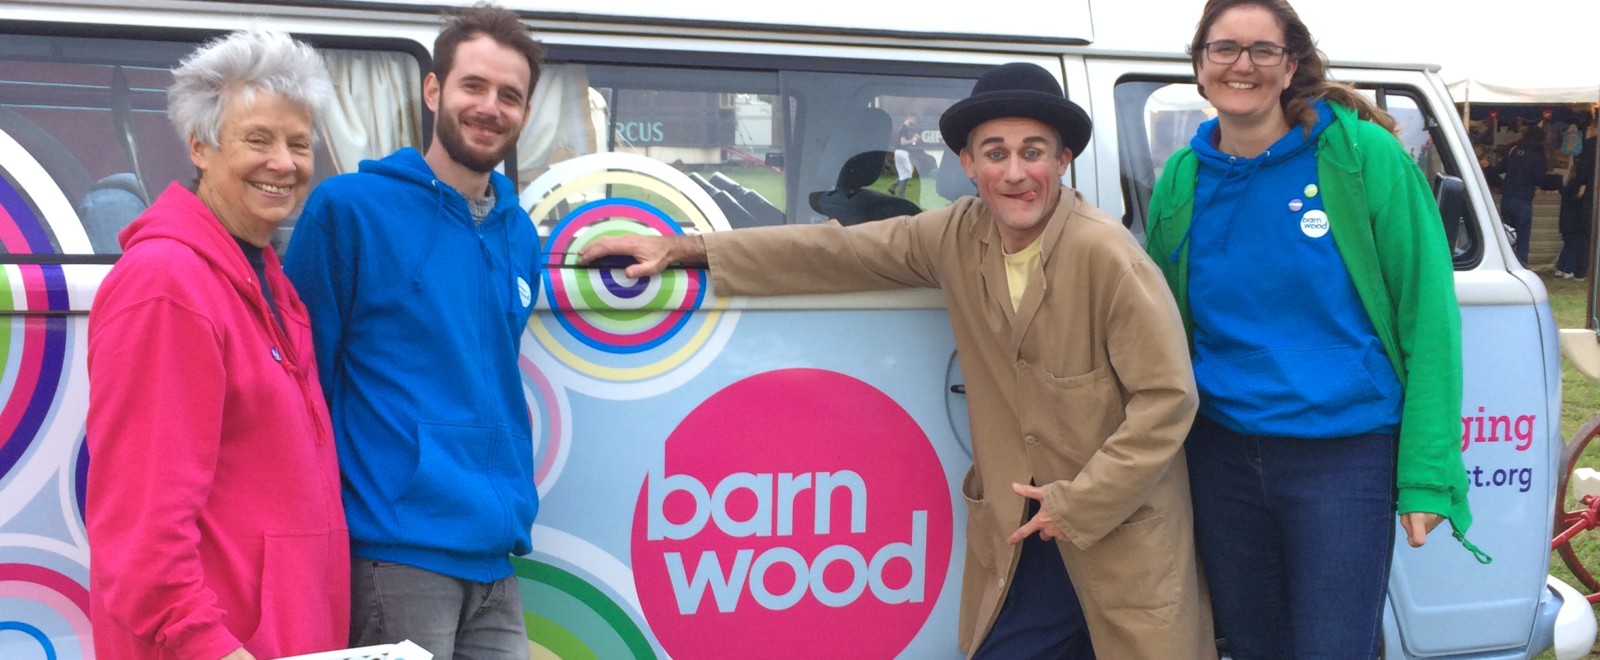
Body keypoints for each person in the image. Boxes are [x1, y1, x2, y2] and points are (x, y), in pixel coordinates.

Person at [582, 61, 1214, 659]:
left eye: (1034, 152)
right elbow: (831, 252)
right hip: (1022, 534)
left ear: (1063, 160)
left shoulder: (1109, 256)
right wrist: (682, 247)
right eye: (995, 153)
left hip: (1115, 529)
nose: (1016, 173)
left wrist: (1079, 503)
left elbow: (1167, 400)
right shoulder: (955, 235)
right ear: (967, 164)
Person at [1144, 1, 1488, 657]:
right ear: (1199, 64)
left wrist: (1425, 476)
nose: (1241, 65)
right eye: (1223, 48)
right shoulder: (1183, 178)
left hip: (1342, 459)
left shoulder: (1363, 156)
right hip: (1221, 459)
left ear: (1290, 63)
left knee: (1334, 646)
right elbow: (1164, 331)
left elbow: (1429, 320)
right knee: (1252, 645)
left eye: (1262, 50)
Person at [282, 5, 542, 658]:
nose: (490, 107)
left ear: (526, 112)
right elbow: (302, 377)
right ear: (433, 91)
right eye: (473, 86)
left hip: (495, 552)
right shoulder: (349, 210)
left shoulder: (519, 232)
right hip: (393, 550)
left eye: (510, 95)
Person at [86, 29, 346, 660]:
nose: (284, 163)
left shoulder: (268, 281)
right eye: (258, 139)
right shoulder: (167, 285)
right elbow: (141, 530)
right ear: (199, 146)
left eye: (299, 143)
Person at [1496, 123, 1548, 266]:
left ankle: (1506, 263)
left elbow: (1498, 168)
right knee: (1523, 236)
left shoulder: (1514, 150)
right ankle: (1521, 264)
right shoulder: (1537, 156)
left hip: (1507, 197)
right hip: (1524, 199)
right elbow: (1539, 180)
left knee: (1508, 235)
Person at [1556, 121, 1596, 279]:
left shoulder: (1568, 187)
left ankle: (1567, 268)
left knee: (1573, 242)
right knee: (1576, 242)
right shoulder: (1577, 188)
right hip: (1575, 220)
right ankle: (1572, 269)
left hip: (1568, 221)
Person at [890, 115, 919, 197]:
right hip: (902, 152)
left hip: (899, 152)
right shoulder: (904, 128)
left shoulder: (903, 128)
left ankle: (894, 188)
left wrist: (914, 139)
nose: (915, 122)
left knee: (904, 173)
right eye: (914, 119)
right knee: (908, 173)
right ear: (910, 118)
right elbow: (903, 142)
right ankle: (900, 192)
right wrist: (912, 140)